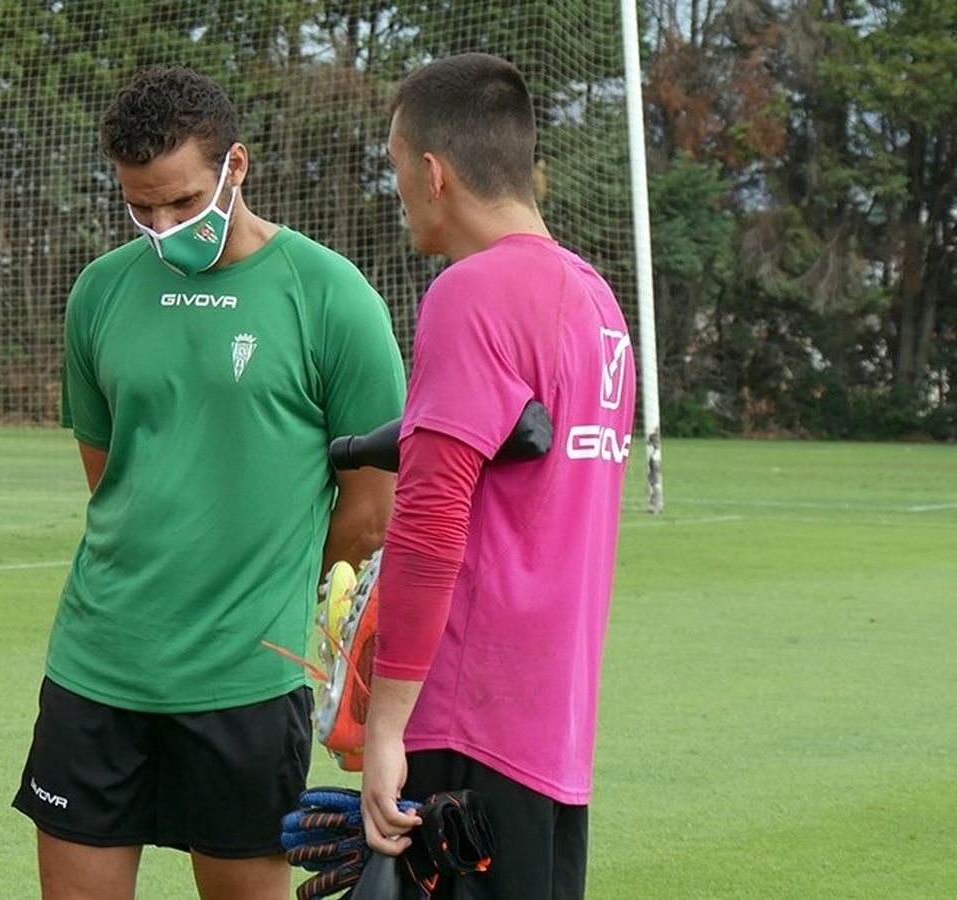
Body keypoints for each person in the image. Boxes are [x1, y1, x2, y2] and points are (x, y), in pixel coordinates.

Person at [11, 66, 407, 900]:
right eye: (140, 206)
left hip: (244, 683)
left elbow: (370, 511)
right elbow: (112, 476)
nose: (161, 226)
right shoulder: (100, 292)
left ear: (237, 166)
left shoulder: (332, 299)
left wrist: (261, 574)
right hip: (96, 667)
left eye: (183, 203)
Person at [357, 52, 637, 899]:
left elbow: (430, 523)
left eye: (397, 166)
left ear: (433, 172)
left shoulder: (469, 294)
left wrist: (384, 730)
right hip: (555, 740)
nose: (398, 187)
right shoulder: (598, 302)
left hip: (468, 728)